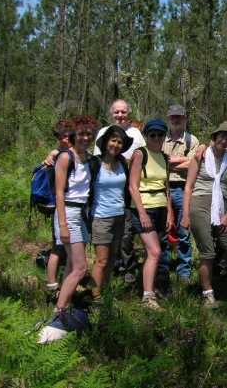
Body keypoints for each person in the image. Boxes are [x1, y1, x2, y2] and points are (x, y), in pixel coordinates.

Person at [181, 121, 227, 307]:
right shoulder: (200, 154)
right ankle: (208, 294)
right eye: (222, 136)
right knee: (208, 252)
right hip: (199, 202)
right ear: (215, 137)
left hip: (223, 207)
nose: (224, 141)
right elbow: (188, 187)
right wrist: (185, 215)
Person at [51, 115, 100, 318]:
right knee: (80, 268)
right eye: (81, 134)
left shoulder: (89, 159)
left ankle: (66, 302)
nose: (85, 138)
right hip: (68, 213)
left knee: (72, 264)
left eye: (89, 134)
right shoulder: (65, 157)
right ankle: (59, 312)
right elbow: (59, 192)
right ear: (74, 135)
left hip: (82, 214)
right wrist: (62, 225)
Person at [94, 99, 146, 279]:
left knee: (126, 234)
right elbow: (95, 159)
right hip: (105, 192)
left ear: (128, 113)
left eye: (123, 112)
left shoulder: (136, 134)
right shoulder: (103, 132)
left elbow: (141, 158)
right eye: (116, 112)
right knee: (107, 239)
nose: (120, 115)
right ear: (112, 113)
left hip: (127, 187)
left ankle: (128, 268)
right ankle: (111, 269)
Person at [128, 119, 174, 309]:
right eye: (152, 135)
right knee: (154, 251)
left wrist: (170, 213)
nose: (156, 138)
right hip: (144, 208)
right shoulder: (140, 154)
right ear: (146, 136)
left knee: (155, 252)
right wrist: (142, 213)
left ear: (165, 137)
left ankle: (153, 289)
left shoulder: (164, 157)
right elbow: (133, 186)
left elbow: (167, 188)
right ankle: (147, 297)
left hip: (161, 208)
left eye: (160, 135)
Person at [89, 125, 133, 300]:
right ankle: (95, 296)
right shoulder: (95, 163)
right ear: (106, 142)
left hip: (119, 216)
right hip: (100, 218)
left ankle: (105, 293)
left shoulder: (122, 163)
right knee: (101, 260)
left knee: (112, 259)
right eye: (113, 140)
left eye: (120, 142)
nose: (116, 145)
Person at [160, 104, 200, 285]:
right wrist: (184, 160)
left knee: (184, 230)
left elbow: (194, 165)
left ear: (185, 119)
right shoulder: (160, 137)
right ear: (169, 119)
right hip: (163, 187)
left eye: (179, 117)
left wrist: (169, 162)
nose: (176, 120)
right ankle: (163, 269)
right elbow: (156, 160)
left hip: (185, 189)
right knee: (165, 230)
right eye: (173, 117)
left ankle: (184, 270)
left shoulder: (192, 141)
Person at [44, 120, 74, 297]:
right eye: (61, 136)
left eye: (67, 135)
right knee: (58, 247)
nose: (65, 139)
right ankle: (52, 286)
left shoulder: (73, 152)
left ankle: (66, 285)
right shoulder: (56, 154)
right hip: (60, 205)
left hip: (74, 206)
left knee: (69, 248)